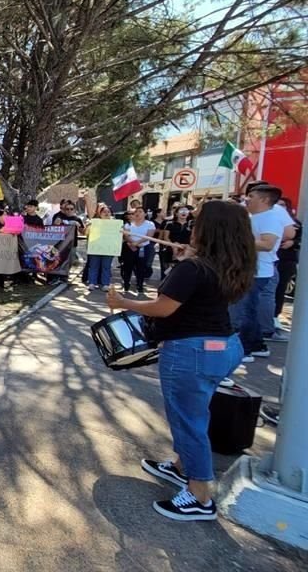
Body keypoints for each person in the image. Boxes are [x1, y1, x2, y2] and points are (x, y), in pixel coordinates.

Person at [107, 200, 253, 521]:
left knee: (188, 421)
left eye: (198, 221)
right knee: (195, 412)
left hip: (192, 351)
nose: (192, 226)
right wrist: (188, 259)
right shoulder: (229, 264)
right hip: (224, 347)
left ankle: (200, 496)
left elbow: (163, 307)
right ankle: (181, 467)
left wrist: (122, 301)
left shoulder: (194, 268)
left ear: (209, 229)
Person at [229, 184, 287, 360]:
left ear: (264, 199)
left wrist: (237, 240)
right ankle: (257, 345)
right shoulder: (255, 217)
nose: (246, 199)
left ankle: (245, 349)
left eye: (251, 196)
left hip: (259, 272)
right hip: (250, 270)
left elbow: (268, 244)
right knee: (249, 310)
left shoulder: (271, 218)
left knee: (244, 310)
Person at [274, 197, 300, 331]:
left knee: (280, 289)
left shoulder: (295, 223)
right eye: (277, 205)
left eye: (283, 205)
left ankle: (275, 316)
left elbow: (300, 238)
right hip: (272, 259)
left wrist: (293, 243)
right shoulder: (269, 221)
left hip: (286, 260)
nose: (280, 208)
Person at [121, 206, 156, 294]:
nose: (137, 213)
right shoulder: (128, 224)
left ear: (145, 214)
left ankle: (139, 285)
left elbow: (149, 235)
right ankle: (126, 284)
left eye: (140, 211)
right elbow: (126, 236)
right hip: (130, 247)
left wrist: (138, 243)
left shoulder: (150, 224)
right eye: (136, 212)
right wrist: (132, 243)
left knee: (141, 267)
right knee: (127, 267)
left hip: (143, 247)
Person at [86, 203, 116, 292]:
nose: (106, 213)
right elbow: (87, 234)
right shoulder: (93, 223)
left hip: (108, 249)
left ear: (111, 213)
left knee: (106, 267)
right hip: (96, 248)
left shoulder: (115, 224)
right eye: (104, 212)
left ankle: (105, 284)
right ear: (100, 213)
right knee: (93, 266)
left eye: (108, 212)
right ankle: (92, 283)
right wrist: (88, 227)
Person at [159, 206, 192, 279]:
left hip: (185, 250)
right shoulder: (170, 224)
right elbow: (166, 237)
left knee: (183, 271)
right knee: (168, 271)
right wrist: (173, 245)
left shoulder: (191, 225)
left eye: (186, 211)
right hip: (170, 249)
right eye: (181, 211)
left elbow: (193, 238)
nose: (184, 212)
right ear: (176, 213)